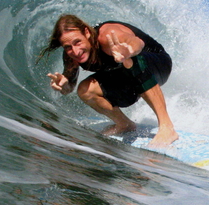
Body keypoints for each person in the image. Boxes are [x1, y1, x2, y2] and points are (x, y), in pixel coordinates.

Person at [39, 15, 178, 147]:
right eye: (68, 47)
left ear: (87, 32)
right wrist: (64, 86)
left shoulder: (108, 36)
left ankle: (167, 127)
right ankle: (124, 124)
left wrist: (128, 51)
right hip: (129, 78)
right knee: (85, 90)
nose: (75, 51)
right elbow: (70, 88)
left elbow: (138, 43)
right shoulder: (72, 56)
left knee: (131, 61)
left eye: (77, 42)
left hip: (159, 65)